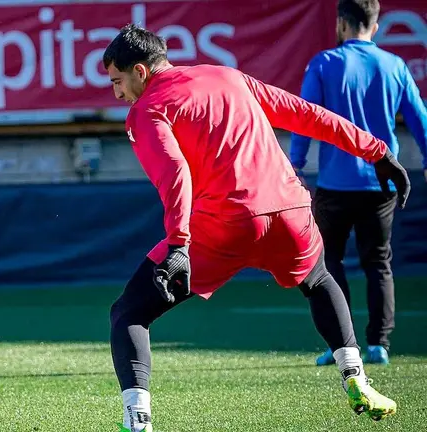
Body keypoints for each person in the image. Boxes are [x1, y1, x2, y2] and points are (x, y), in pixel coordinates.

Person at [103, 24, 409, 432]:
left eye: (117, 81)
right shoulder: (226, 75)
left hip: (223, 227)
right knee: (319, 279)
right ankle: (355, 376)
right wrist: (377, 151)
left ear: (140, 71)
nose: (117, 93)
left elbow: (174, 173)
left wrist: (178, 244)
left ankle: (138, 422)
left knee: (128, 314)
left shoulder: (147, 111)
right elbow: (306, 115)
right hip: (290, 214)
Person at [290, 0, 427, 367]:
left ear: (341, 24)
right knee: (378, 263)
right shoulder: (395, 65)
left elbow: (304, 119)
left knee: (327, 264)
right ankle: (379, 344)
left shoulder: (324, 64)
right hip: (381, 186)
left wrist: (295, 166)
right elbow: (420, 119)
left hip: (335, 186)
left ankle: (341, 346)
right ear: (376, 25)